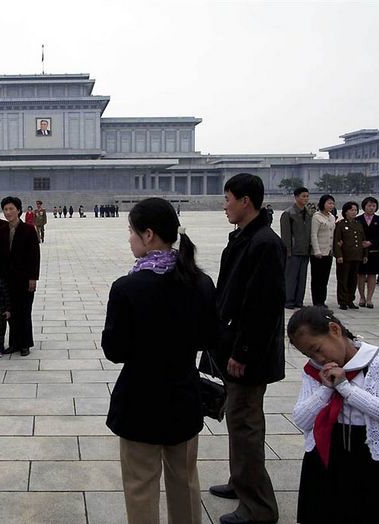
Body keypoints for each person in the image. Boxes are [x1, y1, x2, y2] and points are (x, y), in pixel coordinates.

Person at [102, 197, 215, 524]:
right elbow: (210, 339)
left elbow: (114, 350)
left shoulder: (127, 288)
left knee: (140, 484)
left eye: (132, 231)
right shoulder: (200, 281)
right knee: (184, 479)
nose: (130, 238)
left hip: (140, 399)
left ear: (148, 234)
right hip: (183, 395)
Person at [208, 173, 284, 524]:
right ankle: (241, 482)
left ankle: (259, 507)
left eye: (228, 199)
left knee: (247, 425)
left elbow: (264, 308)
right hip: (235, 346)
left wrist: (243, 353)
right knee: (239, 421)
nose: (224, 205)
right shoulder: (245, 238)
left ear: (245, 201)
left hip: (248, 354)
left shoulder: (265, 243)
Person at [288, 307, 379, 523]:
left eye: (317, 348)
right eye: (309, 354)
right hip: (325, 454)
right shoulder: (314, 371)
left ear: (334, 330)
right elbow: (301, 419)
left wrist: (346, 389)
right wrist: (325, 390)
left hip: (368, 457)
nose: (318, 358)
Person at [0, 196, 40, 357]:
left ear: (18, 210)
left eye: (11, 209)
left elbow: (35, 256)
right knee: (11, 312)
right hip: (7, 278)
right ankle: (14, 343)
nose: (8, 212)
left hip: (24, 279)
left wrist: (33, 278)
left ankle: (25, 343)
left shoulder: (28, 230)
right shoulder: (2, 229)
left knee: (24, 311)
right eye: (6, 209)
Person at [280, 187, 312, 309]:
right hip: (293, 251)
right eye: (303, 196)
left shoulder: (308, 213)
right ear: (296, 197)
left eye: (307, 196)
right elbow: (286, 235)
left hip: (305, 250)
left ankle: (299, 301)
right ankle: (289, 300)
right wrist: (287, 250)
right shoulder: (288, 214)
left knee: (302, 277)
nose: (305, 199)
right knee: (291, 277)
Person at [333, 201, 367, 310]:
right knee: (343, 279)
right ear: (345, 212)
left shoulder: (358, 224)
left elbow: (363, 240)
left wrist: (365, 254)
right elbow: (337, 241)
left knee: (353, 280)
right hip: (345, 256)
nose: (354, 212)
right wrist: (338, 255)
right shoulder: (341, 224)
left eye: (355, 210)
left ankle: (350, 300)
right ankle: (342, 300)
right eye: (351, 210)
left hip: (356, 255)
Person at [356, 197, 379, 308]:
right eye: (369, 205)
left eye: (373, 206)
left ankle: (369, 298)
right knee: (361, 275)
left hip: (374, 251)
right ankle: (362, 297)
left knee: (372, 275)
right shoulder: (358, 220)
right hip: (361, 252)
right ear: (364, 207)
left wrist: (371, 242)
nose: (371, 208)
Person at [310, 195, 336, 307]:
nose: (331, 205)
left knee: (325, 278)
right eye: (329, 203)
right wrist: (316, 250)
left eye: (332, 203)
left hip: (328, 252)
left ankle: (322, 300)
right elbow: (313, 234)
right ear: (323, 204)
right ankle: (317, 301)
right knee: (317, 278)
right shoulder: (316, 217)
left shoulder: (332, 217)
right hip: (318, 253)